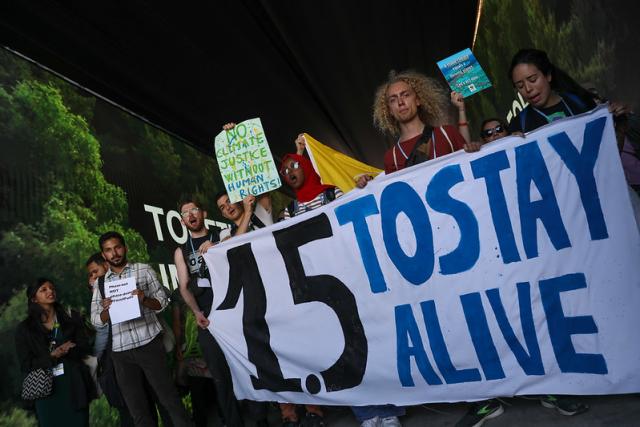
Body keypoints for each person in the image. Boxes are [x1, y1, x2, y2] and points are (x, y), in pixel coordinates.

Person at [91, 231, 193, 427]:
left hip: (149, 344)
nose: (114, 253)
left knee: (169, 400)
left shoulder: (143, 270)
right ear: (104, 255)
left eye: (117, 247)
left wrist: (144, 299)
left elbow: (163, 302)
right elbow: (96, 320)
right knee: (138, 409)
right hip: (121, 353)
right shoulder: (101, 284)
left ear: (125, 248)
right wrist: (107, 311)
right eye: (109, 250)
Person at [173, 196, 247, 427]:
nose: (191, 215)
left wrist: (218, 248)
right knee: (220, 376)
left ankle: (263, 417)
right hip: (207, 318)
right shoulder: (182, 250)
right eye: (186, 213)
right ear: (183, 221)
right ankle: (233, 422)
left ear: (203, 213)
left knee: (247, 366)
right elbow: (184, 287)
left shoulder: (221, 234)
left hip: (234, 309)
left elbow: (240, 241)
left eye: (195, 210)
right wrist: (196, 312)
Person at [357, 70, 480, 188]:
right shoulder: (391, 157)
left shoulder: (447, 133)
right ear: (389, 110)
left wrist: (476, 150)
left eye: (405, 95)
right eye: (393, 100)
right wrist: (369, 185)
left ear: (418, 100)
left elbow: (471, 168)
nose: (400, 102)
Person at [16, 278, 96, 426]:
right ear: (34, 298)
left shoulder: (72, 316)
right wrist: (52, 355)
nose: (50, 291)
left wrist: (70, 349)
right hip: (45, 391)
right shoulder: (25, 329)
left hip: (74, 386)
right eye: (43, 289)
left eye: (51, 288)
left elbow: (86, 348)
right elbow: (26, 364)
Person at [506, 48, 629, 134]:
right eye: (520, 86)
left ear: (548, 75)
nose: (528, 89)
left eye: (532, 79)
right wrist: (512, 144)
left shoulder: (580, 101)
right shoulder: (518, 124)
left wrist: (619, 119)